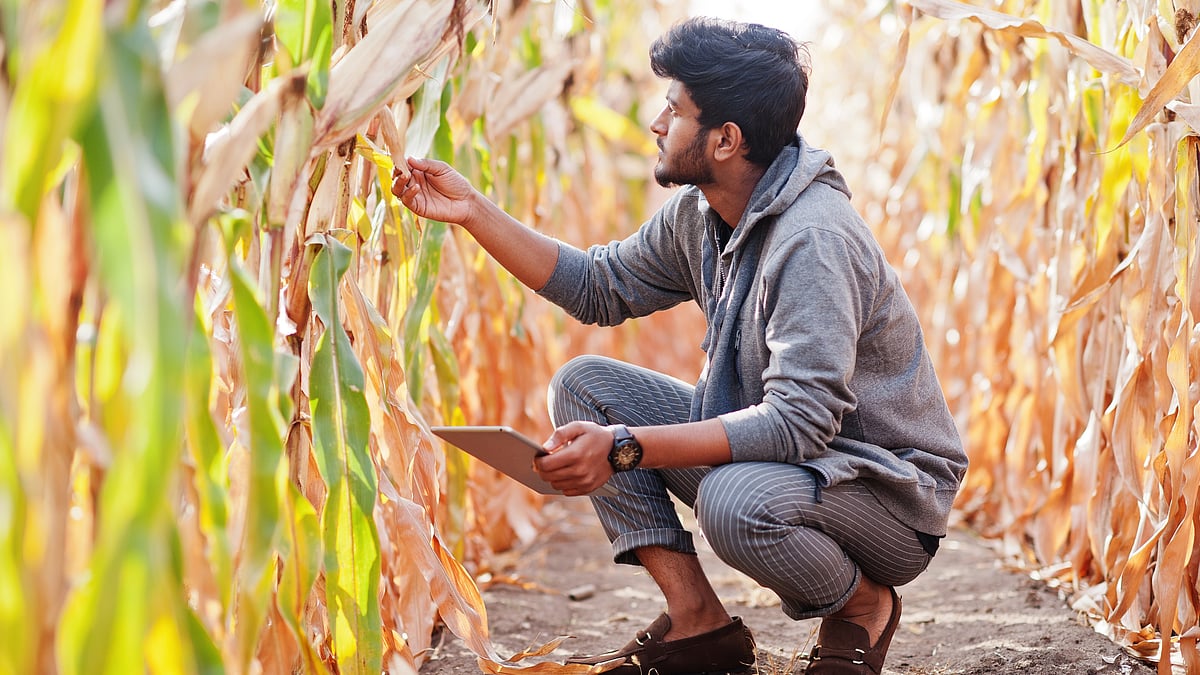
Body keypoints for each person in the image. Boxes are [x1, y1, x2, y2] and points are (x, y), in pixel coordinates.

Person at [392, 16, 967, 675]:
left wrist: (623, 448)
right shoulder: (702, 213)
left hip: (883, 495)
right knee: (585, 386)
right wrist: (473, 210)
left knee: (733, 504)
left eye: (674, 108)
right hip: (786, 462)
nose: (656, 122)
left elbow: (801, 422)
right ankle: (699, 622)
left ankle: (863, 607)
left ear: (725, 139)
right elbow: (598, 285)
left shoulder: (814, 240)